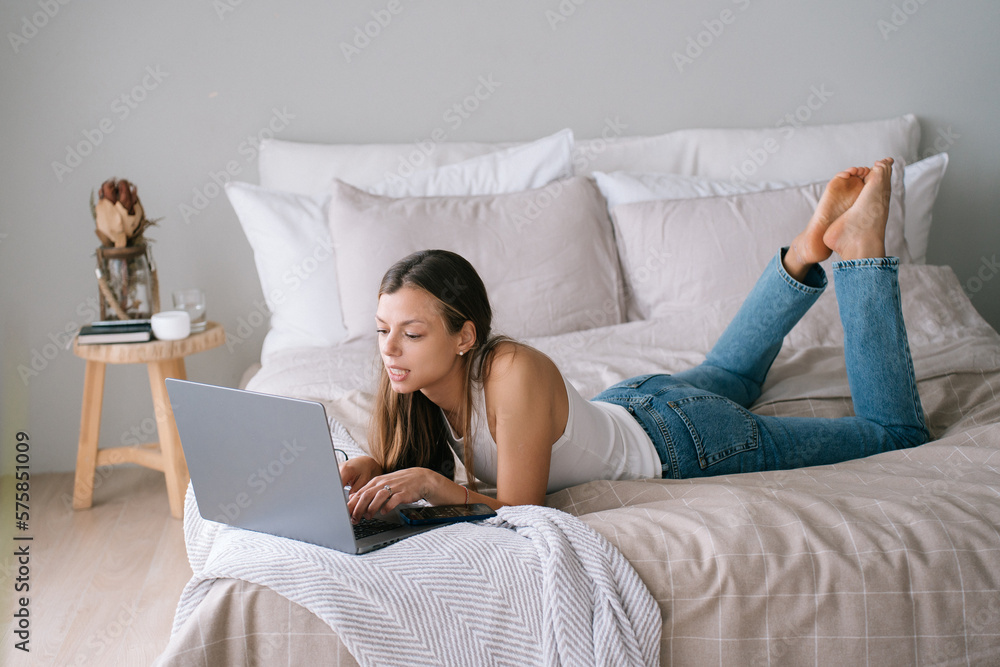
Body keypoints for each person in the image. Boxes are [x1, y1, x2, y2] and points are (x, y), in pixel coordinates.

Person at [342, 158, 929, 522]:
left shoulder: (511, 370)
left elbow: (522, 512)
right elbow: (419, 459)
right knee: (732, 374)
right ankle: (803, 251)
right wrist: (374, 468)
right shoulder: (408, 382)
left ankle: (860, 251)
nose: (390, 349)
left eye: (412, 333)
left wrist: (430, 486)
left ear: (465, 335)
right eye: (382, 331)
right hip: (636, 400)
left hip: (685, 443)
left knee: (896, 436)